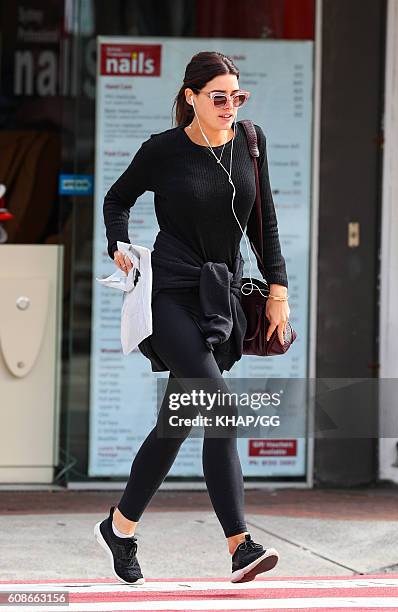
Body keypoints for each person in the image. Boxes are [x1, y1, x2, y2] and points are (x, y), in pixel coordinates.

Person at [93, 51, 290, 586]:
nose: (229, 106)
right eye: (217, 97)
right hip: (171, 293)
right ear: (191, 98)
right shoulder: (164, 150)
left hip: (219, 296)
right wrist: (117, 245)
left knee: (176, 423)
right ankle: (240, 545)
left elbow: (263, 222)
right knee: (220, 407)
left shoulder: (251, 142)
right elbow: (117, 199)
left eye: (236, 96)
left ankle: (120, 526)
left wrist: (279, 290)